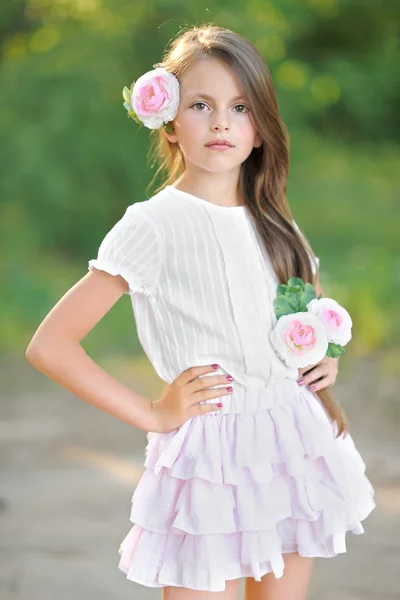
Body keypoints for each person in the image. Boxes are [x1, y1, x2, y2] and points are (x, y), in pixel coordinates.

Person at [25, 23, 375, 600]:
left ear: (261, 128)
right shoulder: (153, 225)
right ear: (168, 119)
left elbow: (296, 311)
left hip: (290, 439)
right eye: (201, 105)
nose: (221, 123)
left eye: (240, 107)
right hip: (210, 455)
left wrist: (320, 359)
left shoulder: (274, 220)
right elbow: (50, 345)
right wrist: (152, 413)